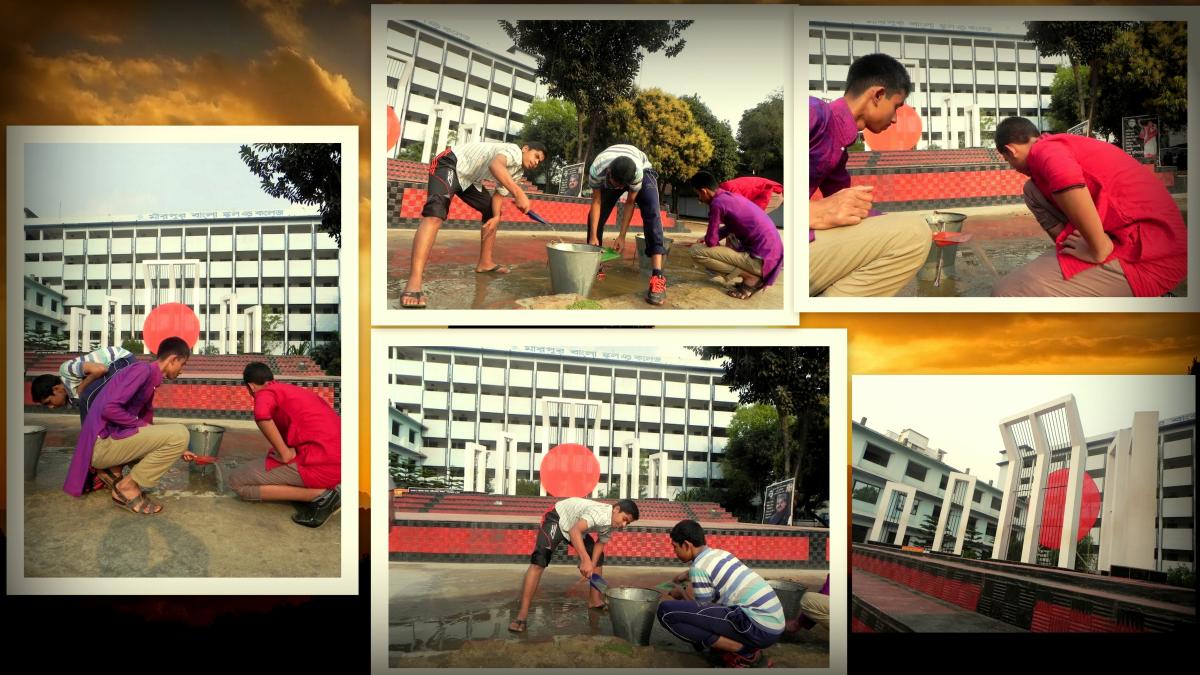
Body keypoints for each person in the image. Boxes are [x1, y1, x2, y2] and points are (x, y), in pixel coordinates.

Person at [991, 116, 1186, 297]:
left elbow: (1066, 178)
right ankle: (1074, 247)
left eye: (1008, 160)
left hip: (1153, 254)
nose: (1013, 167)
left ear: (1010, 150)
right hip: (1129, 233)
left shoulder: (1045, 150)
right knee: (1032, 190)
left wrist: (1098, 248)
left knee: (1007, 293)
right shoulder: (1057, 145)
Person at [809, 53, 930, 297]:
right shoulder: (813, 113)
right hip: (768, 244)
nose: (896, 118)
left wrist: (884, 220)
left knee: (908, 228)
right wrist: (811, 212)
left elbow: (857, 212)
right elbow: (771, 192)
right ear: (877, 95)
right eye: (896, 106)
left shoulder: (840, 148)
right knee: (914, 234)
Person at [400, 140, 547, 308]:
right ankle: (414, 281)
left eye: (539, 161)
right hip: (449, 163)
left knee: (492, 212)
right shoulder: (513, 151)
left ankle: (485, 263)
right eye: (536, 156)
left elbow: (499, 195)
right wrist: (519, 192)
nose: (536, 162)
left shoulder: (517, 171)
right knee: (435, 213)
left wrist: (496, 217)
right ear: (525, 148)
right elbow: (495, 165)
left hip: (469, 179)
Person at [63, 337, 193, 515]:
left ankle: (113, 472)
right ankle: (126, 486)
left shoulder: (149, 379)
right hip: (101, 447)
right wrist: (144, 426)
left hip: (107, 444)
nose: (182, 371)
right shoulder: (142, 371)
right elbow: (110, 409)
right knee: (180, 433)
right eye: (183, 364)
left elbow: (148, 428)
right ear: (173, 359)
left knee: (175, 440)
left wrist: (181, 450)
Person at [656, 519, 785, 668]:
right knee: (713, 612)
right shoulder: (720, 554)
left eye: (675, 547)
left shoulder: (699, 568)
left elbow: (702, 607)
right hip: (773, 623)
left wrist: (680, 593)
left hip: (757, 628)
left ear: (686, 545)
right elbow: (710, 572)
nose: (674, 552)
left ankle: (745, 651)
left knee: (665, 612)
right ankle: (728, 647)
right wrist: (685, 575)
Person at [228, 362, 342, 528]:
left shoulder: (264, 393)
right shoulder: (290, 390)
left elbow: (261, 415)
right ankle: (315, 492)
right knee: (271, 460)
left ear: (251, 387)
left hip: (322, 466)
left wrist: (284, 453)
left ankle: (322, 496)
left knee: (237, 481)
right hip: (339, 460)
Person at [507, 497, 640, 633]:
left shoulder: (613, 523)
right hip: (558, 519)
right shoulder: (600, 513)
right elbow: (574, 531)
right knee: (539, 561)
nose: (624, 525)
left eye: (627, 523)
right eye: (624, 519)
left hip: (574, 526)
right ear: (616, 509)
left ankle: (595, 601)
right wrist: (585, 560)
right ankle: (522, 615)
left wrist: (592, 565)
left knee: (598, 557)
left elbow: (600, 543)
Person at [586, 144, 668, 305]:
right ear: (608, 173)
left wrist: (622, 236)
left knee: (652, 213)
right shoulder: (597, 170)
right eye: (616, 185)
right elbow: (596, 202)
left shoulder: (637, 173)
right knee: (595, 217)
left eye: (622, 187)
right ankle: (596, 265)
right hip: (609, 171)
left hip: (643, 169)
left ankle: (657, 277)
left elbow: (630, 202)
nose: (619, 189)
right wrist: (594, 235)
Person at [688, 171, 784, 300]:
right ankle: (751, 274)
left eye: (698, 194)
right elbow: (731, 227)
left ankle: (750, 277)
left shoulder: (717, 204)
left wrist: (708, 240)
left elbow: (711, 241)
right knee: (726, 244)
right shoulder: (729, 197)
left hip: (761, 263)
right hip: (771, 260)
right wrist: (710, 238)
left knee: (696, 251)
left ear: (704, 191)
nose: (699, 199)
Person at [30, 345, 138, 422]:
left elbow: (101, 369)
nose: (51, 407)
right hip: (118, 369)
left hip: (122, 360)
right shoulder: (72, 398)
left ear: (56, 389)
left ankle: (88, 440)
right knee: (97, 403)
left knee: (86, 397)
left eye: (49, 402)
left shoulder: (66, 369)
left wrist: (81, 388)